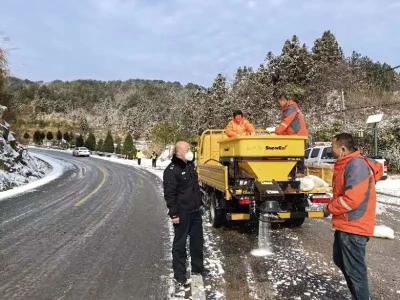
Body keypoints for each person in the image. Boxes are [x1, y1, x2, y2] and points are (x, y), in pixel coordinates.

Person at [324, 133, 383, 300]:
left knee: (355, 272)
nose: (331, 150)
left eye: (332, 147)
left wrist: (329, 208)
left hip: (354, 226)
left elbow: (352, 198)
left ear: (342, 149)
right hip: (346, 224)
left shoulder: (356, 165)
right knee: (340, 259)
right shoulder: (347, 163)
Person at [163, 141, 204, 286]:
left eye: (190, 149)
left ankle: (198, 269)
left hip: (195, 212)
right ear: (178, 152)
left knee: (197, 243)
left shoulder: (190, 165)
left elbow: (194, 188)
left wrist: (199, 203)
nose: (190, 151)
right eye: (187, 149)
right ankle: (180, 275)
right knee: (180, 245)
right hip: (182, 213)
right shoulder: (171, 170)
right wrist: (174, 214)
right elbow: (170, 194)